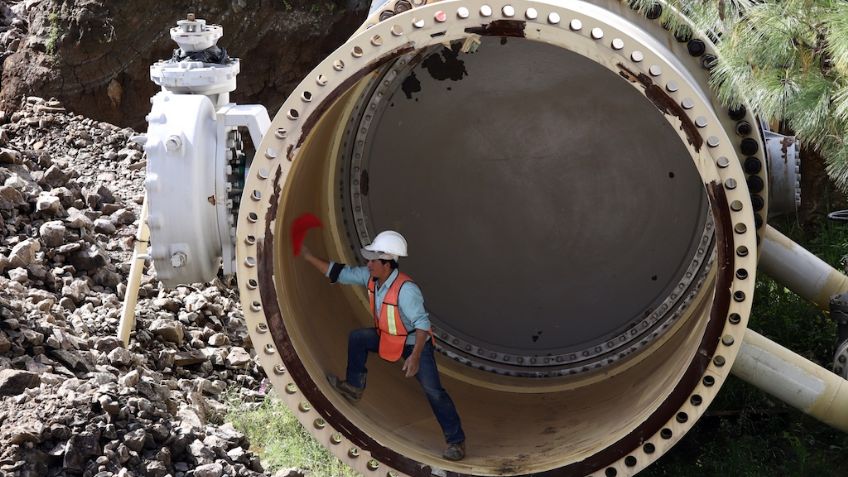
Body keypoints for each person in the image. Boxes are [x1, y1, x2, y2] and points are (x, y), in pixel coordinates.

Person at [302, 230, 466, 461]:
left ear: (387, 264)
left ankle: (455, 441)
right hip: (388, 337)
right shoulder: (372, 278)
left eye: (372, 261)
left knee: (434, 392)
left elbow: (422, 326)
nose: (368, 264)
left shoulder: (406, 290)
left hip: (412, 345)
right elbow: (340, 273)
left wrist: (416, 356)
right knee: (358, 338)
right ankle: (354, 386)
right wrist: (309, 257)